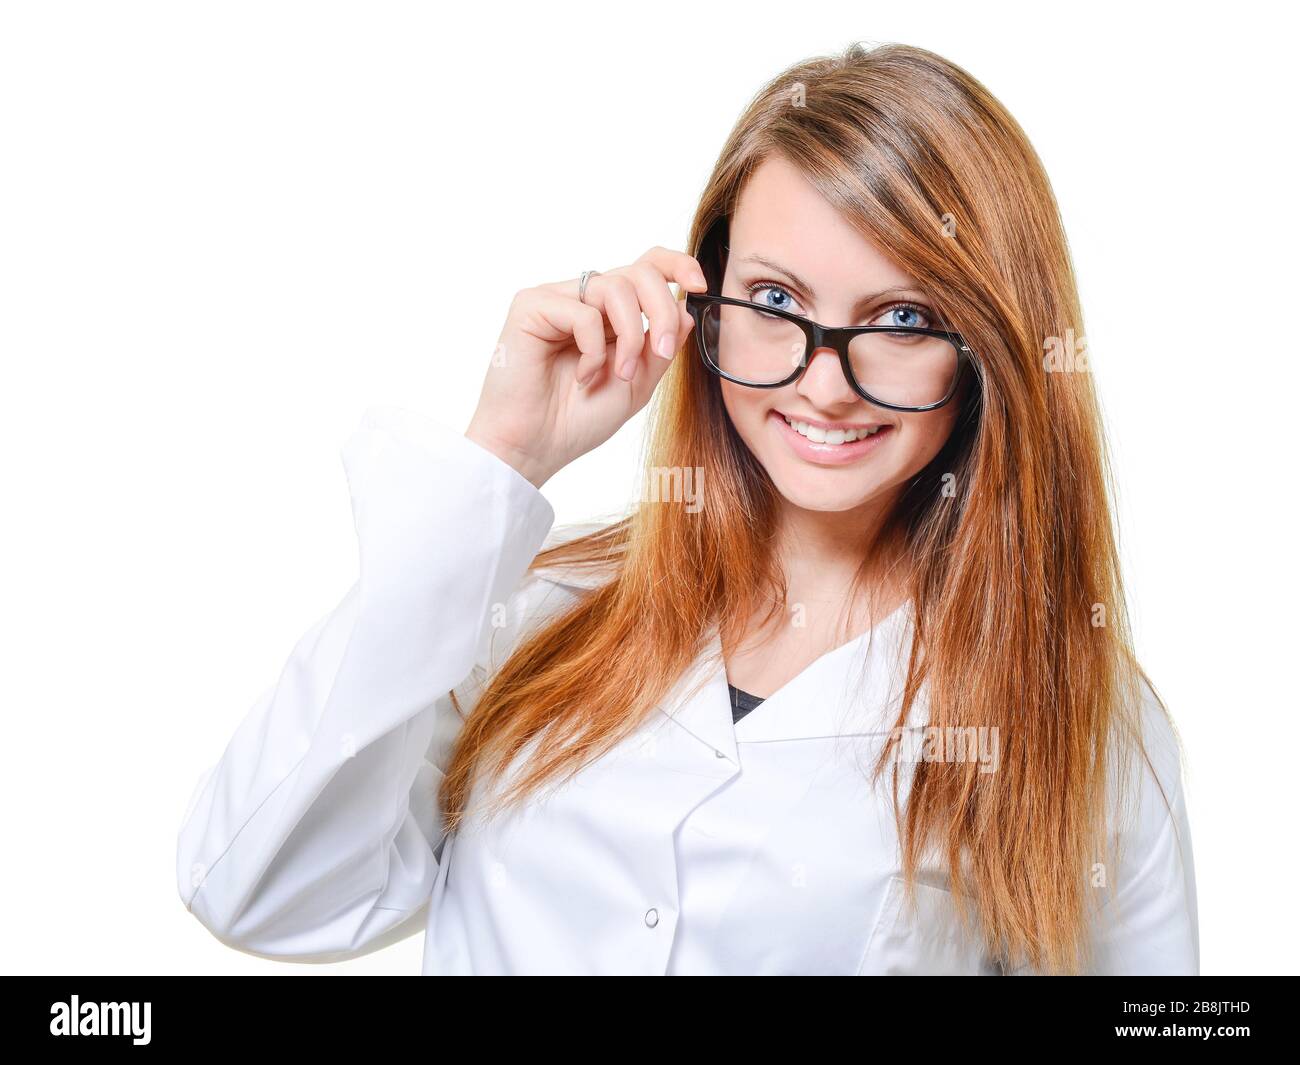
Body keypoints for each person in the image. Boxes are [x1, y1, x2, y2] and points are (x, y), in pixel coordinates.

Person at [175, 41, 1198, 975]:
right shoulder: (534, 606)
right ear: (701, 297)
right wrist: (504, 459)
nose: (824, 386)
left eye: (901, 318)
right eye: (778, 302)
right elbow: (259, 892)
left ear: (990, 353)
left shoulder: (1082, 717)